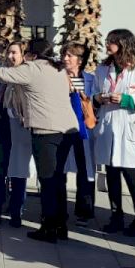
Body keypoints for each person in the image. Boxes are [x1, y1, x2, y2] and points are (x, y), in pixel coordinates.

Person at [0, 39, 78, 243]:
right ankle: (60, 226)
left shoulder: (32, 68)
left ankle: (48, 228)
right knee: (57, 180)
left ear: (32, 55)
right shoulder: (57, 69)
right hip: (67, 130)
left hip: (46, 131)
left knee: (48, 181)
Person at [93, 29, 135, 238]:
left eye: (111, 41)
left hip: (131, 128)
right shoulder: (103, 68)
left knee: (132, 176)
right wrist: (99, 98)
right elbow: (93, 92)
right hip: (109, 128)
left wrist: (126, 99)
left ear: (124, 43)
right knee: (112, 175)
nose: (107, 45)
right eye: (107, 41)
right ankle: (116, 216)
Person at [0, 41, 31, 227]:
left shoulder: (25, 75)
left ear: (23, 55)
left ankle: (16, 213)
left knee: (18, 172)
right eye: (8, 52)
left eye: (14, 53)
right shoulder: (1, 73)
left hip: (18, 130)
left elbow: (24, 106)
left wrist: (0, 114)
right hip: (0, 130)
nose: (10, 56)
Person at [60, 43, 97, 228]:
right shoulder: (59, 77)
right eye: (64, 55)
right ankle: (59, 210)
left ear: (80, 60)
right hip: (62, 129)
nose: (65, 58)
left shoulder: (90, 79)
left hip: (83, 130)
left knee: (85, 171)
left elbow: (95, 101)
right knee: (59, 171)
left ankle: (84, 211)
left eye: (70, 55)